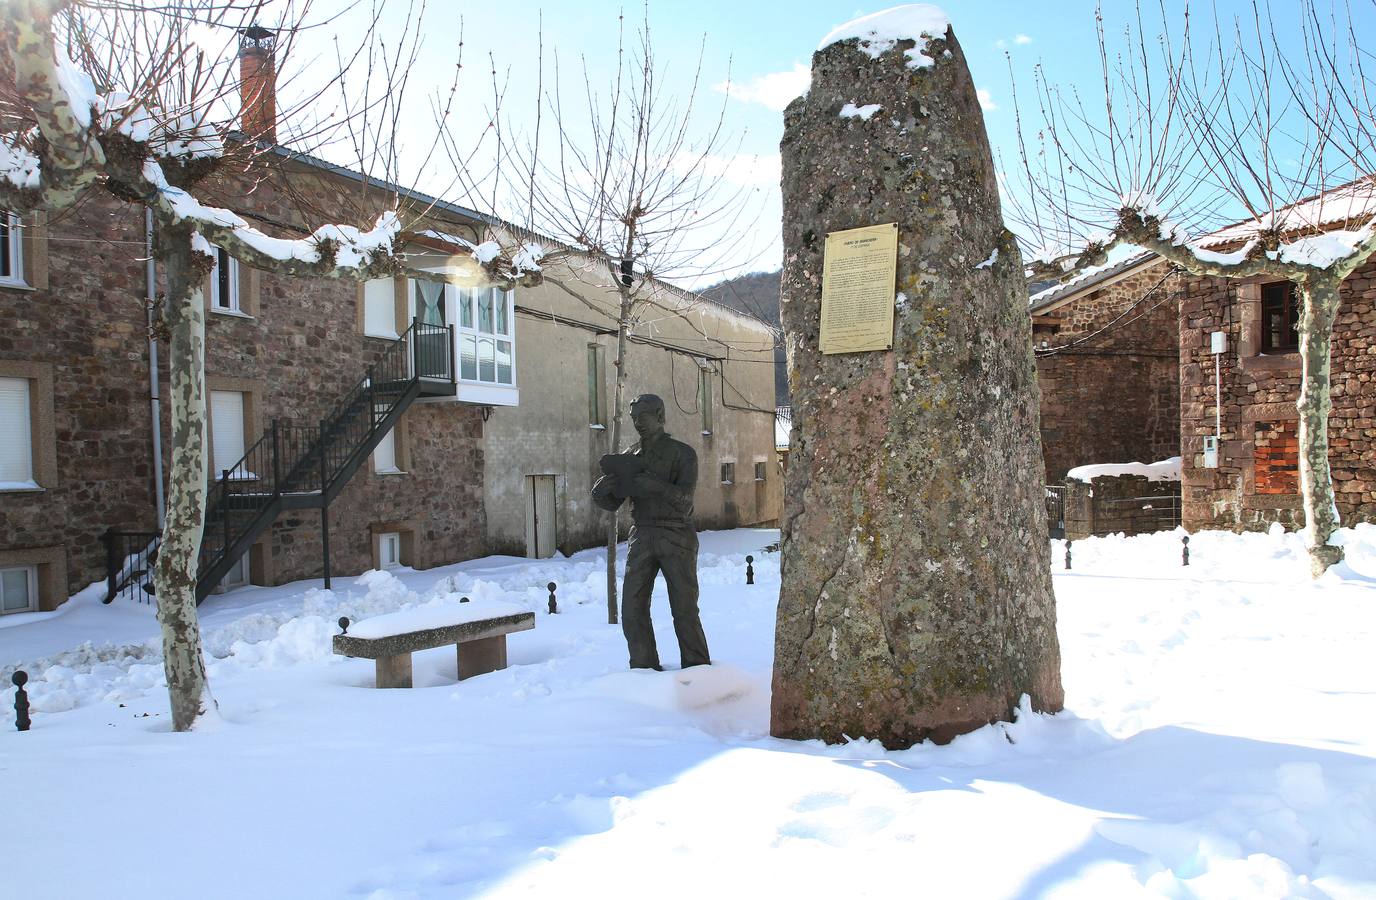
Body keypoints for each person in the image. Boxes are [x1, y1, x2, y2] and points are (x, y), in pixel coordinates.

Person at [591, 393, 711, 670]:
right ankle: (643, 668)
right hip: (642, 535)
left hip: (677, 535)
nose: (638, 424)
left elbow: (685, 501)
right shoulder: (630, 456)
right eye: (634, 419)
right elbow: (614, 500)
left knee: (684, 609)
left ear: (659, 416)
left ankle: (698, 669)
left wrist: (653, 485)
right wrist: (600, 494)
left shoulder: (682, 454)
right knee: (632, 608)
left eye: (642, 418)